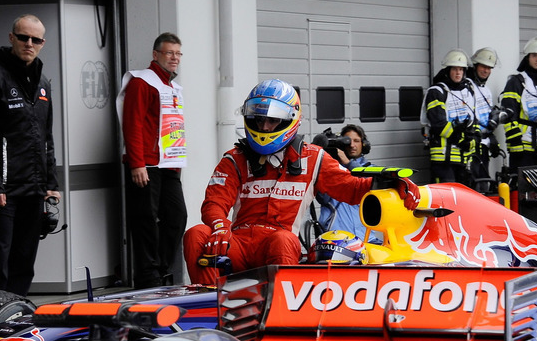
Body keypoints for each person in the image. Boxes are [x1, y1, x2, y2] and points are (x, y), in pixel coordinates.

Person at [183, 79, 419, 285]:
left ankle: (283, 308)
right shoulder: (234, 159)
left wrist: (391, 182)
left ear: (290, 120)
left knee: (283, 240)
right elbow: (214, 202)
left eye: (273, 121)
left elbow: (352, 189)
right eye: (258, 119)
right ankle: (208, 304)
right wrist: (219, 226)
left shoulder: (314, 158)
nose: (264, 127)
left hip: (279, 244)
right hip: (238, 243)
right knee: (197, 234)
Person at [0, 15, 59, 297]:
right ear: (12, 38)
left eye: (36, 40)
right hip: (3, 191)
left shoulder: (44, 82)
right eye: (23, 37)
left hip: (34, 189)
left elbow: (46, 136)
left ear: (42, 43)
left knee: (25, 258)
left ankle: (16, 315)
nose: (29, 44)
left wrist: (51, 182)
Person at [117, 32, 188, 288]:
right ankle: (148, 278)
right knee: (146, 221)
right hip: (145, 164)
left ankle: (159, 270)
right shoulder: (141, 82)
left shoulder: (172, 86)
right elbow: (132, 124)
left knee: (177, 216)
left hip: (168, 164)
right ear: (155, 54)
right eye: (169, 52)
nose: (174, 58)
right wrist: (136, 162)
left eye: (178, 53)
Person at [497, 36, 537, 176]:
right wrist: (515, 139)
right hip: (522, 146)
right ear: (527, 58)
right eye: (534, 55)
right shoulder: (516, 81)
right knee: (520, 191)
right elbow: (507, 114)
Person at [421, 48, 481, 184]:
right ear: (448, 70)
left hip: (464, 159)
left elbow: (474, 120)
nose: (458, 73)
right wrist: (459, 139)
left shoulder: (468, 92)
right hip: (443, 158)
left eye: (461, 69)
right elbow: (438, 123)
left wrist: (474, 139)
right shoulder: (436, 92)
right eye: (454, 69)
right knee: (445, 199)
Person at [317, 124, 375, 241]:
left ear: (364, 145)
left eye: (356, 141)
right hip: (335, 238)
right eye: (347, 141)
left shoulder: (371, 169)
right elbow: (322, 198)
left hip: (366, 238)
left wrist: (348, 163)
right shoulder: (331, 170)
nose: (352, 145)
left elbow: (365, 181)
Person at [467, 47, 502, 187]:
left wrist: (491, 136)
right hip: (471, 145)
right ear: (475, 66)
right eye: (483, 66)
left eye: (489, 67)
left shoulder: (486, 91)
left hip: (484, 146)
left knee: (484, 184)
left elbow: (486, 117)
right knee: (473, 185)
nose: (486, 70)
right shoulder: (467, 87)